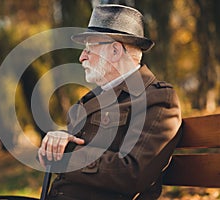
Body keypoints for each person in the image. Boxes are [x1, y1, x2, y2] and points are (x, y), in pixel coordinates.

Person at [38, 4, 182, 200]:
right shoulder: (90, 100)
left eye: (90, 48)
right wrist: (58, 142)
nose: (82, 57)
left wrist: (68, 153)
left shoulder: (157, 98)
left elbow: (133, 174)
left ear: (115, 51)